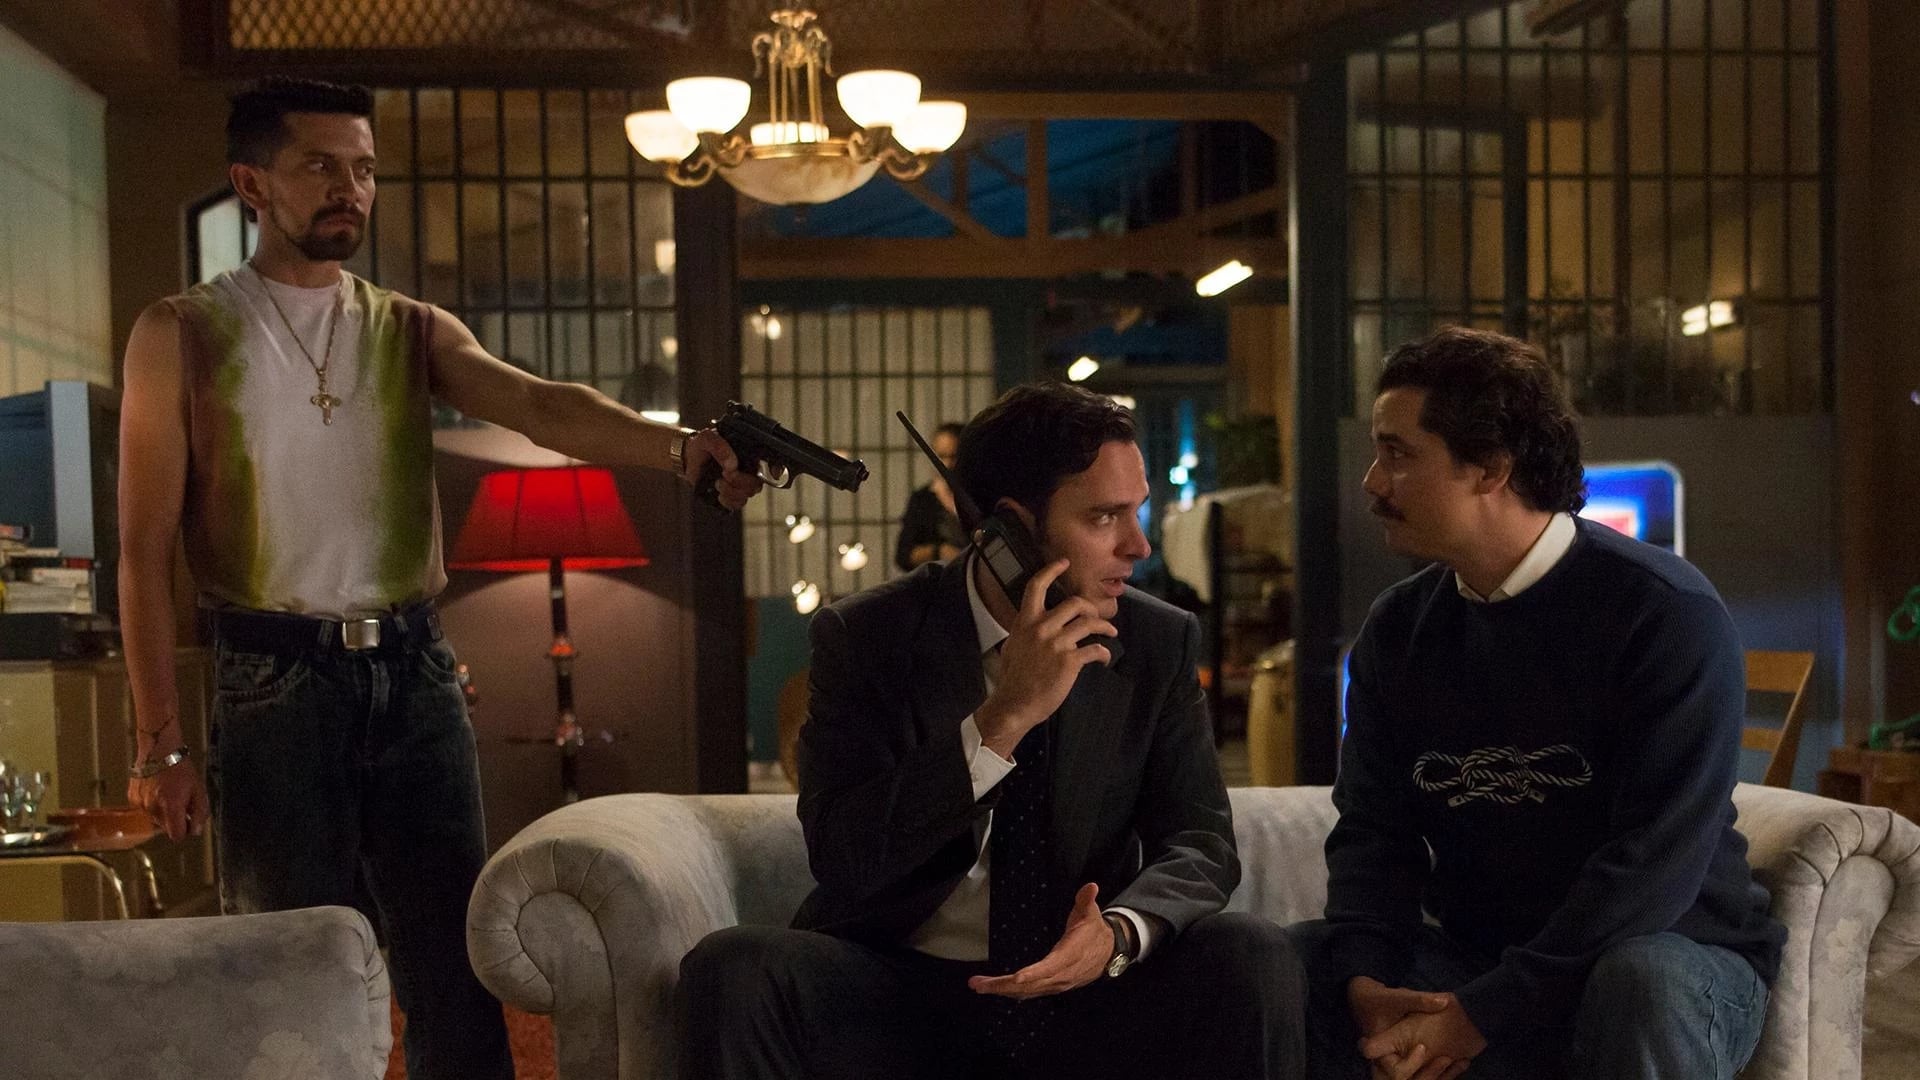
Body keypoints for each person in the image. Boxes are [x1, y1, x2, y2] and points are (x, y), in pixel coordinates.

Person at [116, 77, 761, 1080]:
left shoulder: (408, 326)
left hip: (413, 670)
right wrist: (158, 744)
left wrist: (678, 447)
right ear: (252, 183)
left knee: (455, 965)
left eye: (365, 169)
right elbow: (143, 549)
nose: (351, 188)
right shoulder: (182, 332)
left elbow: (539, 404)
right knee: (287, 966)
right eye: (321, 166)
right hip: (271, 679)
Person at [676, 382, 1305, 1079]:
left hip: (1088, 992)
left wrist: (1118, 935)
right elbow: (844, 857)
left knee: (1252, 954)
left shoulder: (1158, 640)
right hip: (902, 988)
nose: (1138, 545)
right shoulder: (867, 635)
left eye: (1137, 512)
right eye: (1104, 517)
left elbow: (1200, 843)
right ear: (1011, 529)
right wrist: (1001, 721)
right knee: (732, 969)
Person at [1290, 327, 1785, 1080]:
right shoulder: (1399, 628)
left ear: (1491, 467)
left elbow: (1652, 867)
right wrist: (1368, 981)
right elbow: (1373, 831)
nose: (1372, 482)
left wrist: (1481, 1017)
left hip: (1673, 952)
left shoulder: (1661, 611)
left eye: (1397, 454)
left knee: (1639, 982)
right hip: (1481, 959)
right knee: (1283, 966)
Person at [894, 420, 968, 570]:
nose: (947, 464)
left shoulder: (980, 493)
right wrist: (939, 551)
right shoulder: (923, 499)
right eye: (941, 456)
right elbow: (903, 555)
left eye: (954, 456)